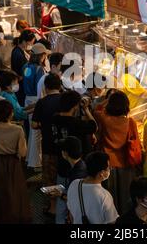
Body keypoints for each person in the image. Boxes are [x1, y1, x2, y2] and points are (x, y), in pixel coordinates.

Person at [52, 90, 97, 218]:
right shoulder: (76, 123)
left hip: (60, 164)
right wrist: (86, 109)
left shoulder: (55, 118)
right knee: (77, 200)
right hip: (76, 167)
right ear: (75, 106)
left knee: (61, 200)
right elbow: (94, 126)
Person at [0, 100, 31, 224]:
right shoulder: (18, 130)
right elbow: (22, 153)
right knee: (14, 194)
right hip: (12, 164)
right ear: (11, 113)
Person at [94, 90, 138, 214]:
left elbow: (96, 109)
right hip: (126, 163)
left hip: (108, 165)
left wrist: (108, 100)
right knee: (126, 197)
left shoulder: (105, 119)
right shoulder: (131, 122)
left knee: (110, 197)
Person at [31, 73, 62, 217]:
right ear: (60, 85)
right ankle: (65, 205)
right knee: (63, 175)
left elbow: (34, 125)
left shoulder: (42, 102)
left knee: (49, 177)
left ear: (46, 86)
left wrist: (44, 124)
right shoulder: (65, 100)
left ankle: (52, 207)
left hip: (48, 145)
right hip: (65, 147)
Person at [67, 151, 119, 224]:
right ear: (101, 173)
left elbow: (71, 215)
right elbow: (112, 222)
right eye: (108, 167)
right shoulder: (104, 196)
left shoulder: (74, 184)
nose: (110, 169)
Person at [48, 136, 88, 224]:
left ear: (65, 154)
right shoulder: (80, 165)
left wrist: (60, 194)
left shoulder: (76, 175)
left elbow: (75, 198)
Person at [23, 43, 50, 170]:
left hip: (27, 98)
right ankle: (35, 163)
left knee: (31, 131)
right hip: (36, 99)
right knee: (36, 133)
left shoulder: (26, 66)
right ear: (42, 55)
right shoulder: (39, 69)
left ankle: (30, 158)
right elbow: (40, 88)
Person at [11, 30, 36, 105]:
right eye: (31, 43)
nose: (32, 45)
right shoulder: (18, 54)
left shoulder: (18, 50)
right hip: (21, 86)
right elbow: (25, 73)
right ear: (25, 41)